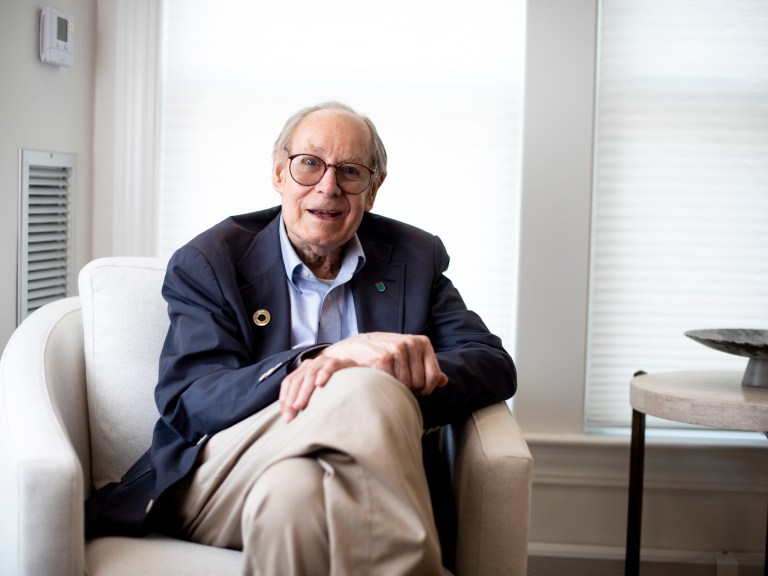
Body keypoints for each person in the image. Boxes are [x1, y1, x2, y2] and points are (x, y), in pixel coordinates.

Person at [85, 102, 516, 575]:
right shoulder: (211, 259)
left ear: (373, 190)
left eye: (350, 172)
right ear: (278, 172)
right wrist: (328, 359)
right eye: (309, 164)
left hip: (294, 480)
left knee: (292, 496)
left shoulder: (413, 256)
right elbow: (191, 401)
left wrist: (406, 372)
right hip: (221, 472)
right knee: (365, 383)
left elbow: (492, 364)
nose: (328, 187)